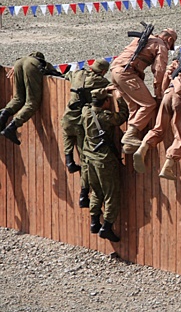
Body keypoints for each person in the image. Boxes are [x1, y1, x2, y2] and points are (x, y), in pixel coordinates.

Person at [109, 28, 177, 154]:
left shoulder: (142, 39)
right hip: (127, 73)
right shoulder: (160, 45)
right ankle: (129, 135)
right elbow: (159, 70)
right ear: (169, 39)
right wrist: (159, 93)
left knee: (135, 106)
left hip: (115, 71)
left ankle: (129, 143)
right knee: (149, 104)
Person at [133, 50, 181, 179]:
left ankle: (143, 147)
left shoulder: (178, 61)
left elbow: (166, 77)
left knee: (158, 127)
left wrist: (163, 94)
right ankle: (168, 166)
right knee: (180, 135)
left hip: (168, 94)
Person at [60, 59, 111, 208]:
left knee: (67, 136)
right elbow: (110, 88)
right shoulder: (100, 81)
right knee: (85, 161)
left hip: (67, 117)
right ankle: (83, 194)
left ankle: (69, 159)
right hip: (79, 122)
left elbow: (66, 75)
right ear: (102, 72)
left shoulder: (78, 73)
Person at [82, 87, 129, 242]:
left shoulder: (86, 112)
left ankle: (94, 222)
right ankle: (107, 227)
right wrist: (119, 97)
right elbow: (123, 115)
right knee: (111, 193)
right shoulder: (104, 117)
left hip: (89, 158)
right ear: (106, 102)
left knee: (96, 191)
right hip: (104, 160)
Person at [0, 52, 61, 145]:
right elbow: (54, 72)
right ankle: (12, 127)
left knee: (18, 98)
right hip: (30, 67)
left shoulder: (22, 59)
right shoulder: (37, 61)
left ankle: (2, 118)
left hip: (17, 64)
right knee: (32, 102)